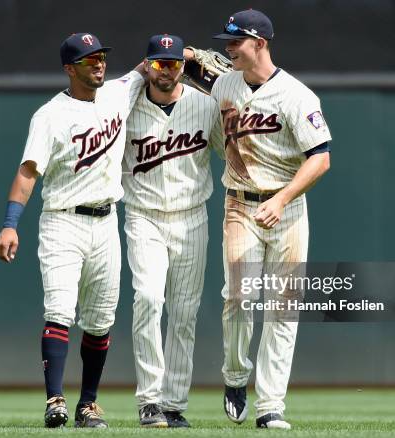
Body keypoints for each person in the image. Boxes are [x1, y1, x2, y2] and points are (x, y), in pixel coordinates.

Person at [187, 9, 332, 430]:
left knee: (283, 310)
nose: (229, 48)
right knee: (238, 296)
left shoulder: (296, 96)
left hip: (286, 207)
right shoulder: (225, 83)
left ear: (261, 43)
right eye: (226, 42)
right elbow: (192, 68)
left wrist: (284, 198)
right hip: (240, 205)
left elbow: (320, 158)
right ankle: (235, 377)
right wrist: (189, 56)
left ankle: (271, 406)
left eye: (237, 42)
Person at [0, 32, 145, 429]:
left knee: (100, 320)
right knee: (60, 310)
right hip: (63, 221)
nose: (98, 64)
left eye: (101, 57)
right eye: (88, 60)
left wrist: (191, 54)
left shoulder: (117, 92)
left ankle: (88, 404)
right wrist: (10, 225)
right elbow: (28, 173)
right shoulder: (49, 116)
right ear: (69, 68)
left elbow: (147, 69)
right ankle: (55, 400)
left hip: (107, 221)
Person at [122, 34, 223, 428]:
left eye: (175, 63)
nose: (168, 70)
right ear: (146, 65)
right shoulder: (126, 106)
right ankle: (149, 400)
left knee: (184, 312)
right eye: (160, 63)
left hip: (192, 215)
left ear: (184, 65)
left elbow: (228, 150)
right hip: (143, 214)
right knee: (147, 298)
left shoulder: (205, 105)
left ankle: (174, 402)